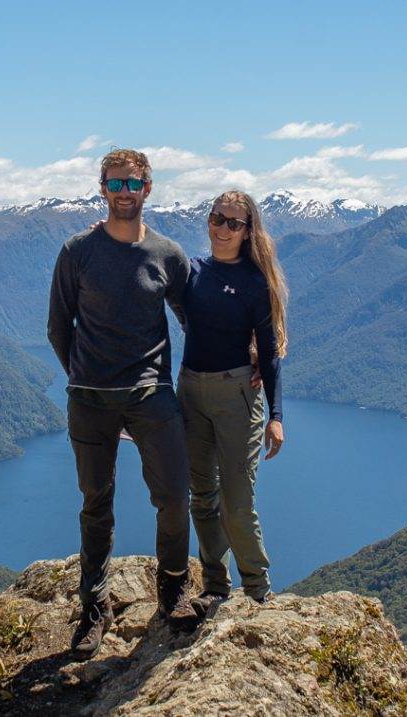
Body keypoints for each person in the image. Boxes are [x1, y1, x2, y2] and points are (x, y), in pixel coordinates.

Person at [47, 149, 197, 661]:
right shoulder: (76, 252)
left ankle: (173, 587)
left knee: (175, 496)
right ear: (102, 189)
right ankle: (95, 608)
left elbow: (193, 318)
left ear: (148, 188)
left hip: (152, 396)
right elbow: (57, 325)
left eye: (133, 184)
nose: (124, 193)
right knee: (96, 504)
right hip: (90, 400)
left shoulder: (168, 256)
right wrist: (84, 377)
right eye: (115, 185)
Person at [177, 190, 288, 613]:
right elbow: (144, 257)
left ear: (247, 232)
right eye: (216, 218)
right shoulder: (191, 271)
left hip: (237, 394)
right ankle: (215, 586)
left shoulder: (254, 283)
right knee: (202, 496)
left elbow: (270, 353)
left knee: (237, 502)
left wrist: (275, 416)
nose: (222, 228)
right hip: (190, 391)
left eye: (233, 223)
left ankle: (258, 589)